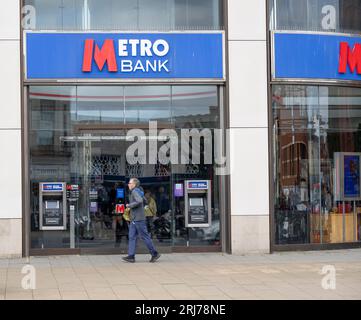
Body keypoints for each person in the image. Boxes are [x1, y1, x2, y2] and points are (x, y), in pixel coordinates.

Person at [122, 178, 161, 263]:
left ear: (134, 184)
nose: (128, 184)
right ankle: (131, 256)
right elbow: (145, 201)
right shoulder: (139, 191)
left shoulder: (135, 191)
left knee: (144, 237)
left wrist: (130, 205)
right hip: (135, 218)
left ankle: (154, 253)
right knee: (132, 237)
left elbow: (139, 201)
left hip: (138, 219)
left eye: (130, 183)